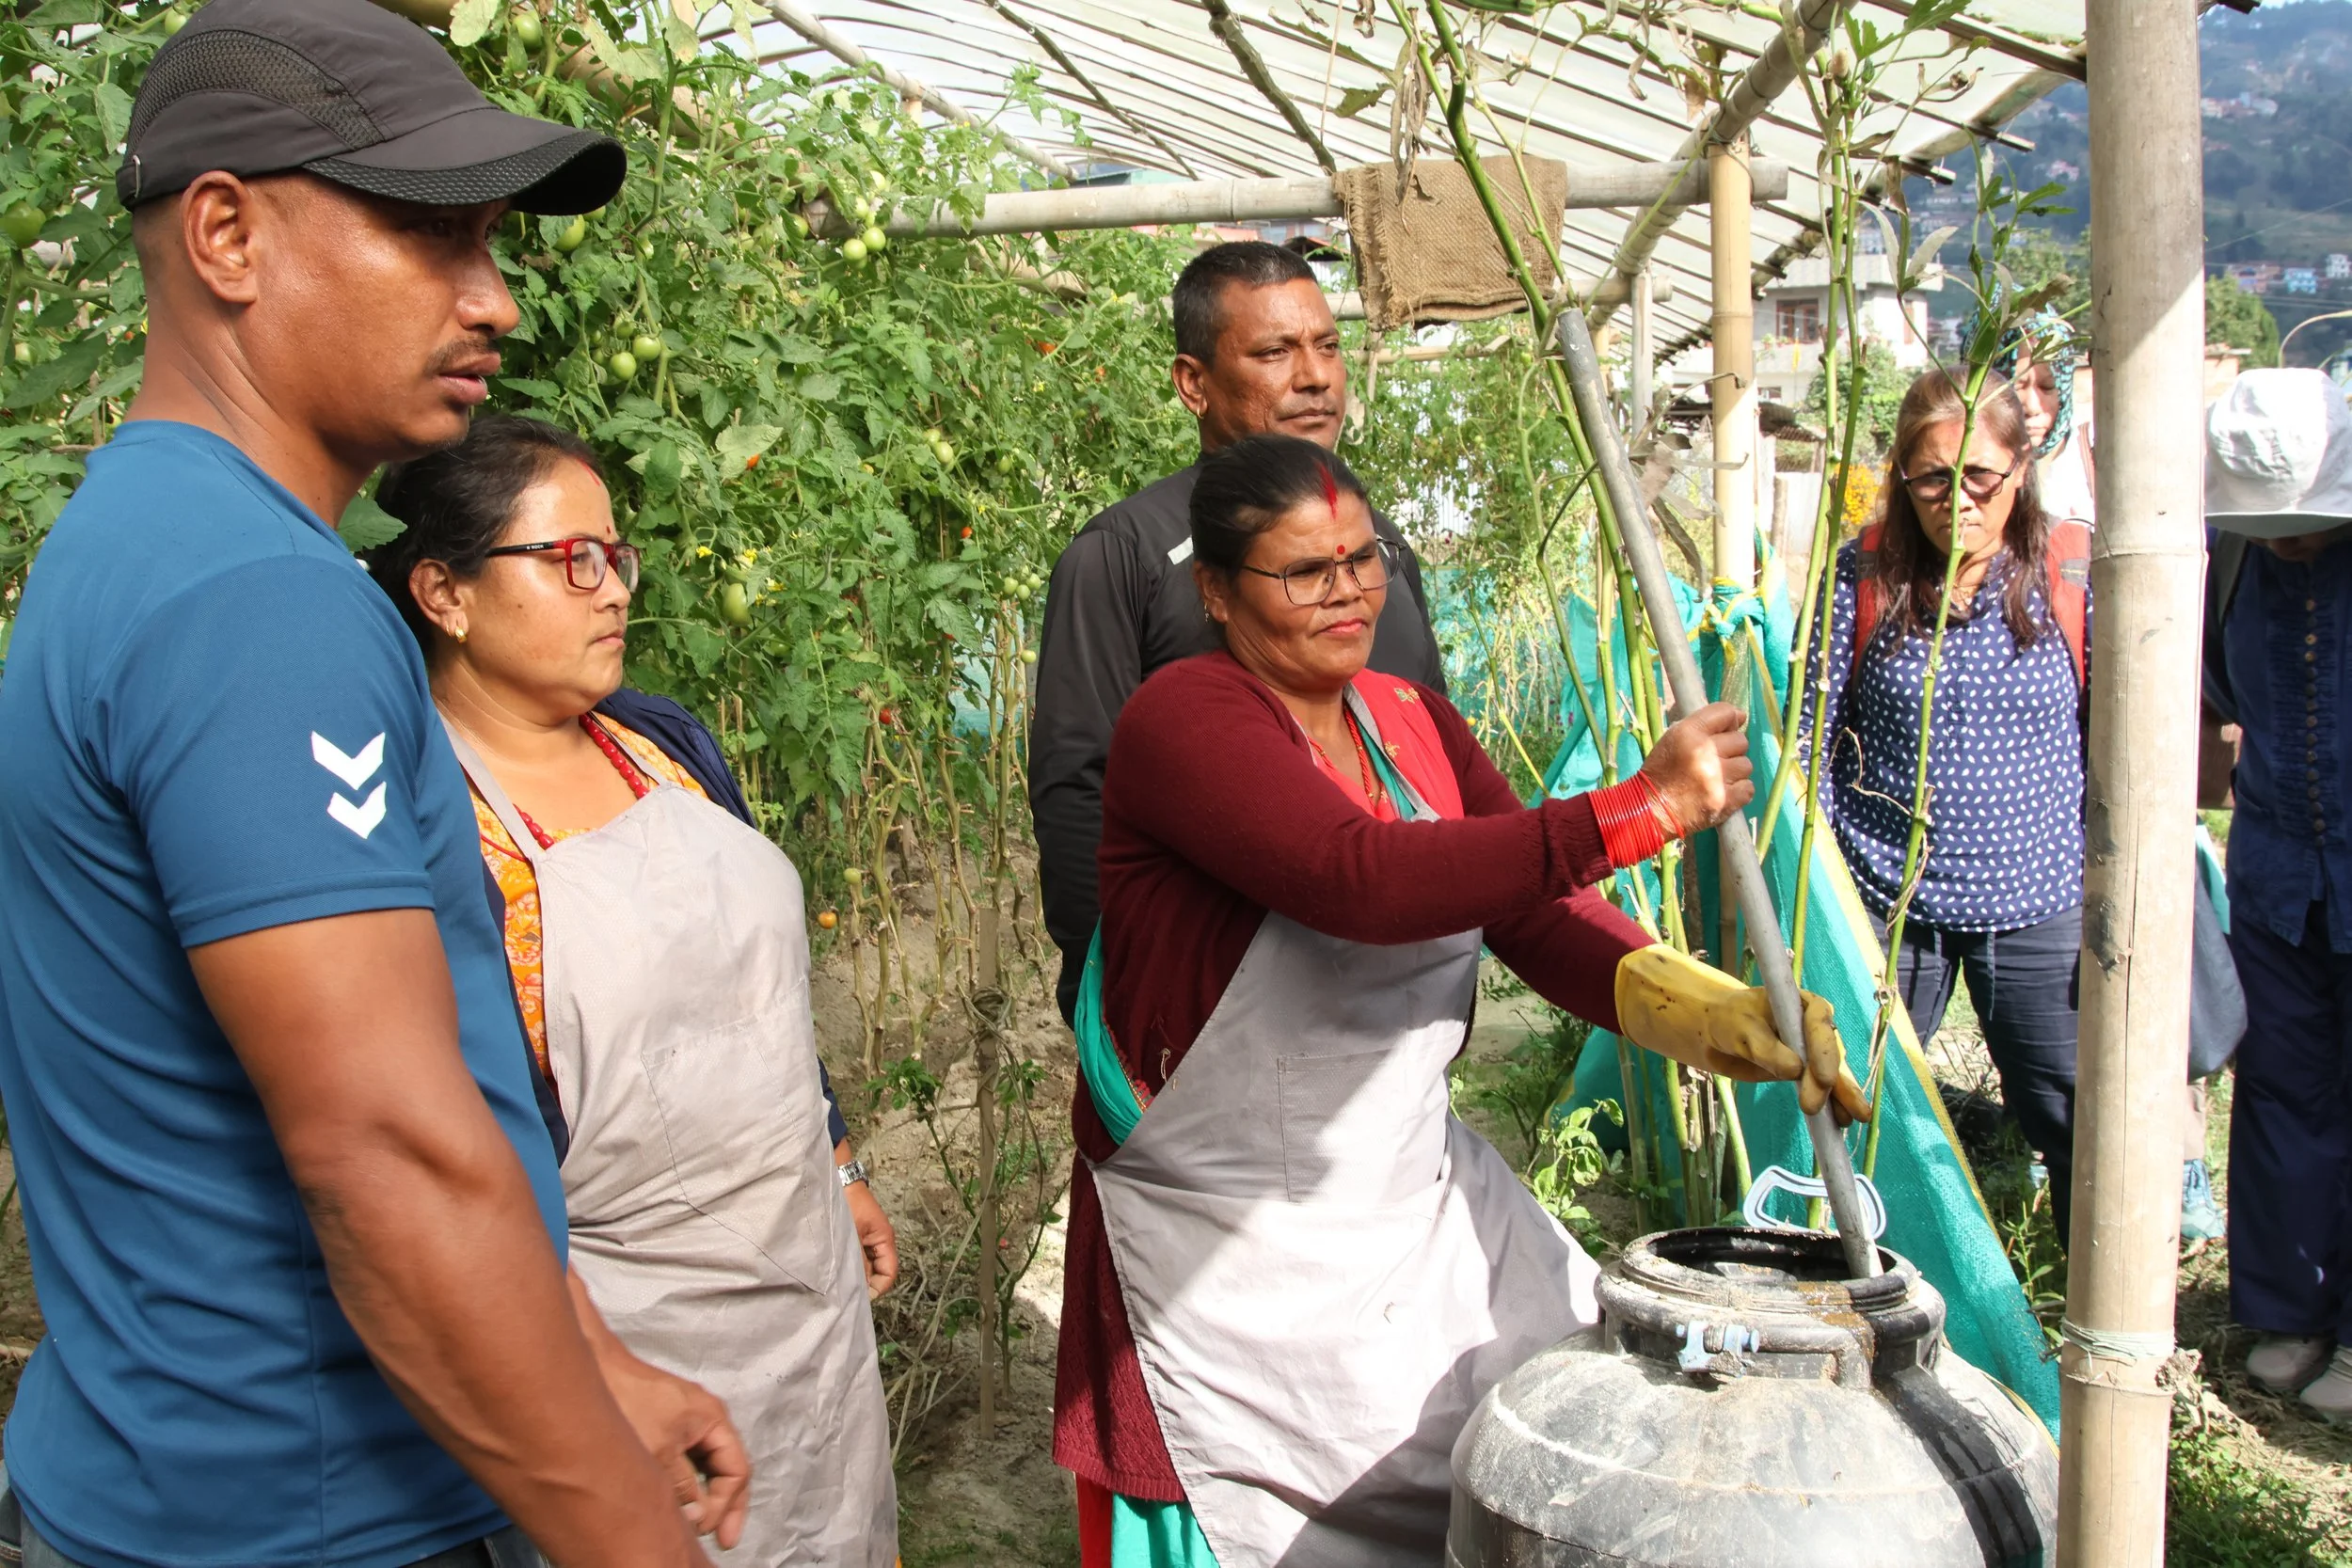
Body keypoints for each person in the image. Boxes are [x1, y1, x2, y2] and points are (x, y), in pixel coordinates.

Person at [0, 4, 749, 1565]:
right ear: (227, 235)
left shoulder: (149, 537)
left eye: (493, 241)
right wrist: (635, 1542)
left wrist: (589, 1358)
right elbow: (387, 1156)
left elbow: (405, 1081)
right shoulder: (260, 605)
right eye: (431, 232)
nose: (495, 299)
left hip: (181, 1472)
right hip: (309, 1506)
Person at [1055, 434, 1865, 1566]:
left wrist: (1704, 1009)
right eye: (1303, 571)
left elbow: (1531, 913)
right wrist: (1634, 809)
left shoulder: (1409, 719)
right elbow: (1357, 877)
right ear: (1216, 593)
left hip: (1403, 1203)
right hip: (1229, 1247)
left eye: (1361, 558)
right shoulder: (1184, 718)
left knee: (1553, 1444)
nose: (1346, 591)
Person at [364, 415, 899, 1562]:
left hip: (802, 1264)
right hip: (624, 1315)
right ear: (444, 593)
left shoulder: (660, 741)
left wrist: (836, 1157)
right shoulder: (430, 822)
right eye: (570, 560)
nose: (611, 589)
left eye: (615, 556)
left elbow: (759, 988)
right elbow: (454, 1139)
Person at [1029, 241, 1446, 1024]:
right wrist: (1134, 1001)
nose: (1315, 376)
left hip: (1393, 1003)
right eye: (1275, 352)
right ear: (1194, 383)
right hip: (1212, 1018)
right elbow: (1078, 791)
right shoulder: (1125, 556)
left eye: (1328, 345)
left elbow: (1434, 759)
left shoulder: (1385, 552)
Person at [1802, 369, 2091, 1244]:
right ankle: (1865, 1274)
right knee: (1859, 1106)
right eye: (1932, 477)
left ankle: (2086, 1293)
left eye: (1980, 476)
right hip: (1890, 904)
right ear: (1902, 475)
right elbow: (1812, 738)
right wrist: (1815, 897)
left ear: (2020, 469)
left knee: (2071, 1113)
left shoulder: (2070, 569)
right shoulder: (1863, 571)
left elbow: (2113, 739)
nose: (1956, 499)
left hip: (2037, 899)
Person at [2003, 313, 2231, 1240]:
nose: (2030, 404)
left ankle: (2178, 1167)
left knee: (2151, 981)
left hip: (2114, 778)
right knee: (2068, 1014)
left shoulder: (2112, 473)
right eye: (2016, 384)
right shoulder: (1983, 480)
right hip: (2035, 802)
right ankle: (2057, 1161)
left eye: (2044, 386)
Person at [2200, 369, 2352, 1422]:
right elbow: (2214, 701)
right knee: (2284, 1090)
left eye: (2303, 522)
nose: (2286, 540)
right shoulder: (2231, 564)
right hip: (2277, 876)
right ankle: (2292, 1308)